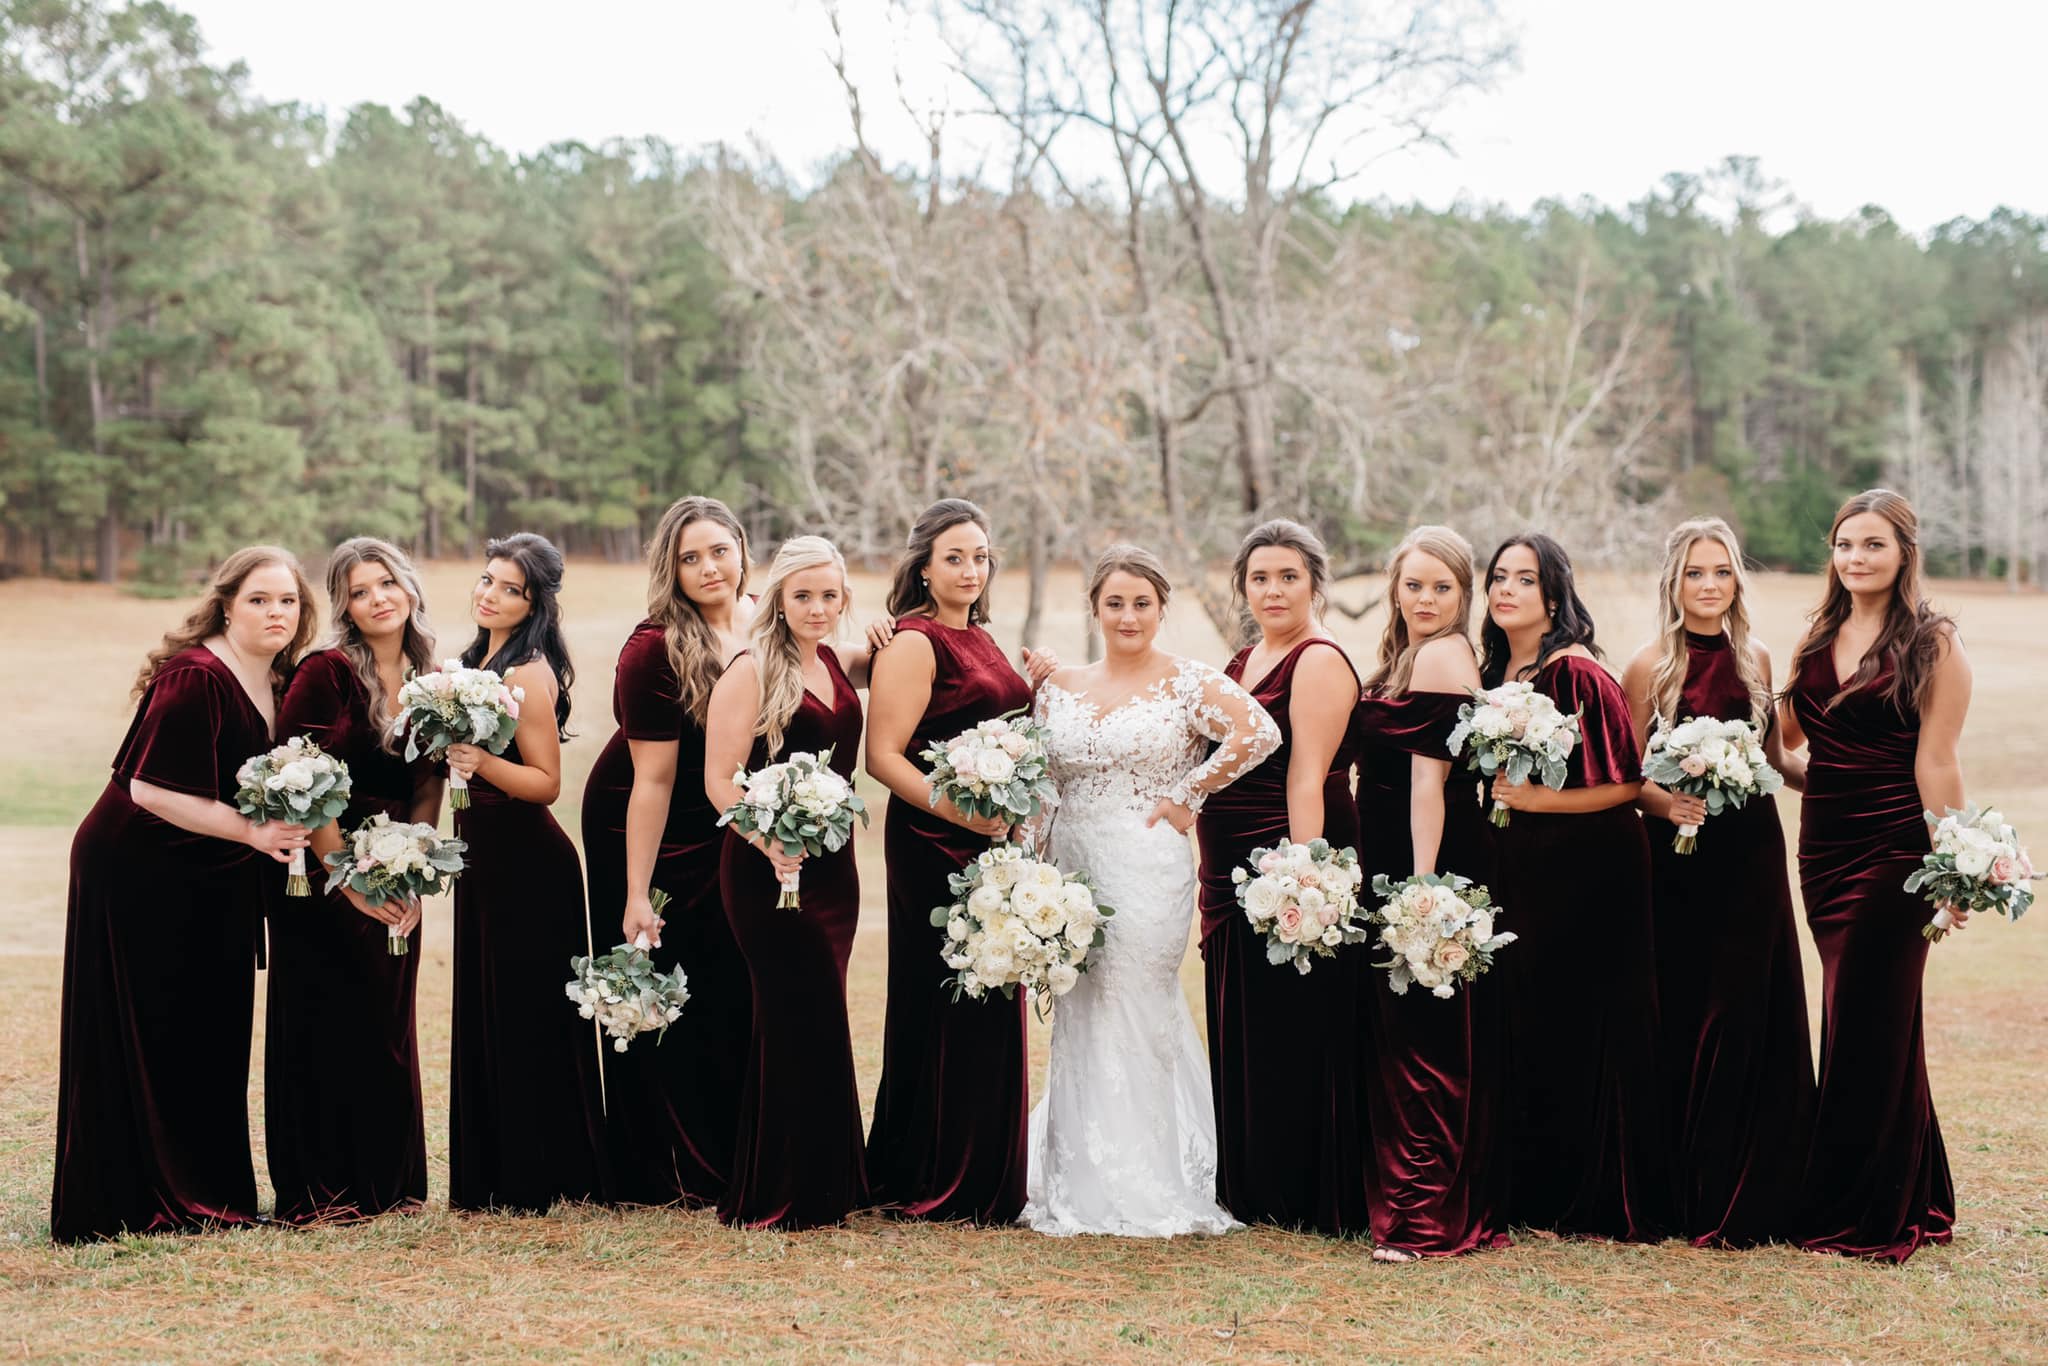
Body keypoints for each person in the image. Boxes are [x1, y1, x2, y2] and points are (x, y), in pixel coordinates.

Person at [51, 546, 315, 1241]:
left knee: (207, 1032)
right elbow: (148, 789)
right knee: (154, 1031)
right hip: (139, 869)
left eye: (288, 600)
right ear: (226, 605)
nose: (276, 613)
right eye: (259, 599)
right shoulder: (196, 676)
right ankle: (138, 1199)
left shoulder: (277, 677)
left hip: (209, 875)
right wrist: (253, 833)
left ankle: (206, 1193)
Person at [1022, 544, 1279, 1238]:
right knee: (1081, 1004)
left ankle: (1150, 1172)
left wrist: (1189, 791)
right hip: (1070, 867)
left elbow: (1259, 731)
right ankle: (1077, 1166)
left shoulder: (1187, 681)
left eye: (1142, 603)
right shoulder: (1059, 686)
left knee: (1135, 999)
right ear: (1095, 609)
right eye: (1115, 603)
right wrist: (1028, 864)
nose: (1128, 616)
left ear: (1162, 608)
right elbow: (1044, 782)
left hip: (1146, 862)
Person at [1780, 489, 1971, 1263]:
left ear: (1903, 554)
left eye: (1873, 545)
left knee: (1862, 1020)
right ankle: (1913, 1190)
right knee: (1875, 1021)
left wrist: (1954, 866)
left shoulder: (1932, 644)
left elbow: (1938, 763)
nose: (1855, 557)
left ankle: (1861, 1212)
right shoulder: (1817, 638)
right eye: (1845, 544)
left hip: (1896, 855)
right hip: (1823, 854)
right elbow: (1786, 742)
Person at [1621, 517, 1814, 1247]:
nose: (1709, 585)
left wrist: (1854, 782)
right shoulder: (1648, 666)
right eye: (1695, 573)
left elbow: (1778, 759)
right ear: (1673, 582)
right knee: (1683, 1005)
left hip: (1751, 854)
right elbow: (1625, 776)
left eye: (1722, 571)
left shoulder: (1756, 657)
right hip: (1677, 857)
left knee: (1746, 1004)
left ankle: (1751, 1185)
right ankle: (1683, 1188)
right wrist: (1666, 803)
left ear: (1738, 579)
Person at [865, 500, 1057, 1224]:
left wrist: (1040, 687)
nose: (971, 569)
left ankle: (986, 1169)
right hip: (932, 842)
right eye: (954, 557)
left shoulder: (981, 635)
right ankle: (934, 1172)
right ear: (923, 567)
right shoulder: (914, 641)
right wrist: (963, 814)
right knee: (944, 995)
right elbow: (883, 757)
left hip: (991, 840)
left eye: (980, 556)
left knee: (993, 988)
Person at [1482, 533, 1669, 1241]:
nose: (1506, 590)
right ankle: (1537, 1186)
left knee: (1582, 1021)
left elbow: (1626, 783)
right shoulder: (1499, 670)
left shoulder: (1578, 673)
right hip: (1524, 865)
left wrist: (1537, 802)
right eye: (1499, 577)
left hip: (1590, 867)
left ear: (1554, 597)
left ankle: (1596, 1194)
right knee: (1532, 1017)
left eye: (1524, 580)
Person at [1192, 520, 1369, 1235]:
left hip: (1287, 860)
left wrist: (1304, 881)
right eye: (1259, 577)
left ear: (1315, 584)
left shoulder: (1317, 660)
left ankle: (1296, 1187)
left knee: (1293, 1023)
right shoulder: (1245, 658)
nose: (1273, 590)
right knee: (1250, 1023)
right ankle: (1252, 1179)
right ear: (1242, 585)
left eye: (1288, 577)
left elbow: (1307, 777)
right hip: (1230, 868)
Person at [580, 497, 755, 1206]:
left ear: (742, 551)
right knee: (667, 979)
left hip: (722, 815)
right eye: (690, 558)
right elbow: (650, 780)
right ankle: (668, 1163)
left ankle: (733, 1141)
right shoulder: (653, 648)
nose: (709, 568)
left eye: (720, 551)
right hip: (646, 821)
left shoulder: (760, 621)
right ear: (670, 569)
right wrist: (633, 892)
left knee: (729, 977)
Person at [266, 537, 443, 1224]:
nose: (378, 599)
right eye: (359, 592)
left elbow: (428, 782)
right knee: (327, 1025)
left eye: (386, 583)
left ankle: (387, 1185)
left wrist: (416, 865)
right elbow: (301, 783)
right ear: (344, 607)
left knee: (385, 1023)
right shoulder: (327, 673)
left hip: (396, 867)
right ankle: (324, 1190)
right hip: (326, 874)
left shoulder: (433, 676)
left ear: (409, 586)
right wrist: (352, 883)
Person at [704, 535, 874, 1230]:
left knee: (824, 1011)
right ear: (776, 598)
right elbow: (719, 781)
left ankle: (832, 1183)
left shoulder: (834, 659)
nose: (817, 608)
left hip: (834, 867)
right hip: (767, 867)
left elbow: (900, 658)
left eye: (830, 595)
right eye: (802, 595)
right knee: (792, 1015)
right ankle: (780, 1191)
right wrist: (769, 840)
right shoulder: (750, 670)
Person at [1353, 526, 1511, 1260]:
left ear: (1463, 594)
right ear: (1394, 587)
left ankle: (1423, 1214)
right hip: (1394, 850)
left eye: (1442, 588)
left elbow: (1428, 784)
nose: (1425, 599)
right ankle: (1408, 1193)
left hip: (1429, 855)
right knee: (1404, 1032)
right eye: (1413, 585)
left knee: (1425, 1038)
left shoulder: (1444, 655)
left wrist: (1423, 891)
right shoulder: (1405, 656)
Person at [446, 532, 607, 1212]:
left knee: (524, 1015)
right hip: (484, 856)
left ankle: (536, 1171)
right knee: (492, 1007)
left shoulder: (525, 674)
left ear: (534, 603)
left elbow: (546, 783)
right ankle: (493, 1166)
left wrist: (481, 762)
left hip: (528, 865)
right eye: (488, 579)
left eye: (510, 589)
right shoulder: (474, 661)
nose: (490, 594)